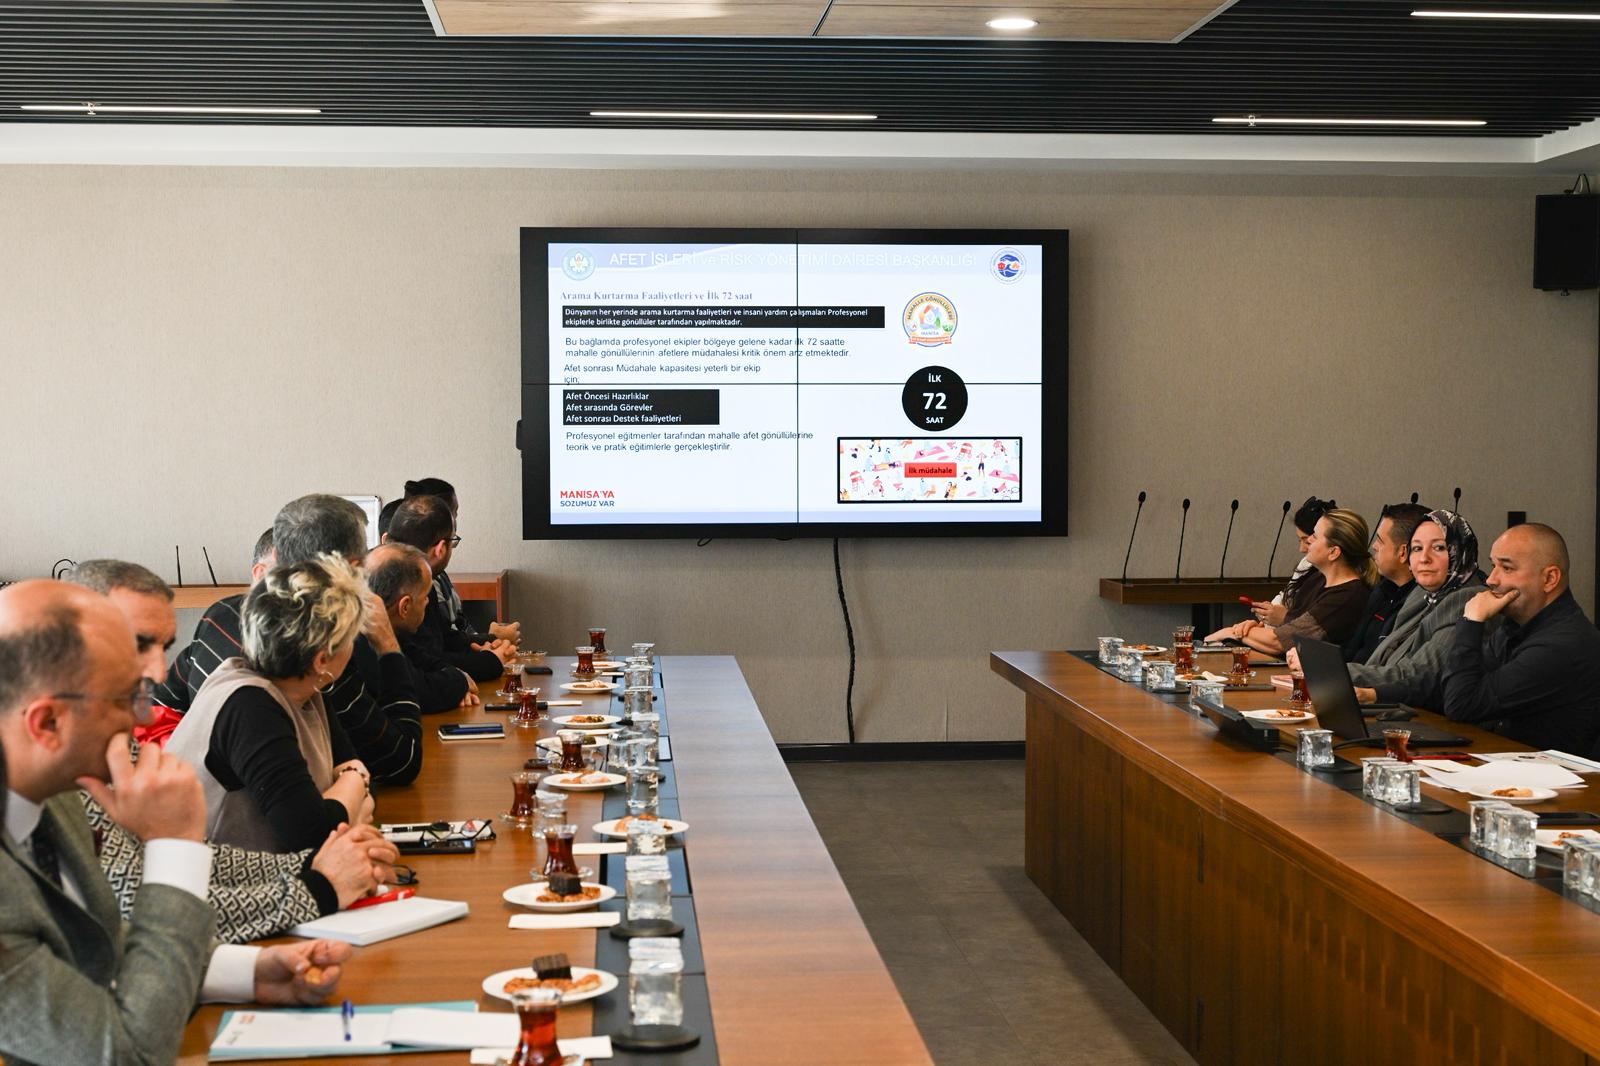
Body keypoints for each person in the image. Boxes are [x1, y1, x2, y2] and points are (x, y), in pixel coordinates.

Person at [0, 580, 350, 1066]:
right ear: (47, 724)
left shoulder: (54, 794)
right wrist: (175, 844)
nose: (146, 717)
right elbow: (130, 1054)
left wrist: (245, 972)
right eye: (125, 698)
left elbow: (100, 947)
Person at [67, 560, 397, 941]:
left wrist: (322, 864)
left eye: (164, 648)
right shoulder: (65, 766)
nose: (160, 671)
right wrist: (320, 885)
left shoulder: (113, 743)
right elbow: (140, 911)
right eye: (139, 644)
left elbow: (200, 860)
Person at [155, 494, 423, 785]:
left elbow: (162, 702)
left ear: (277, 555)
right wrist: (387, 645)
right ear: (354, 567)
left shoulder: (220, 614)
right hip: (281, 807)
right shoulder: (323, 652)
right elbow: (402, 760)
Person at [165, 555, 376, 852]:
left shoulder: (304, 689)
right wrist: (355, 780)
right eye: (352, 637)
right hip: (214, 876)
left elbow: (346, 805)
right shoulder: (250, 707)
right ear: (322, 659)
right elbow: (312, 834)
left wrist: (347, 794)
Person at [1441, 523, 1600, 754]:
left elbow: (1462, 704)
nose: (1491, 579)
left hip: (1554, 775)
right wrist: (1384, 694)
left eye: (1506, 568)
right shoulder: (1517, 626)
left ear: (1549, 579)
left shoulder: (1563, 645)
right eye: (1493, 565)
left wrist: (1472, 621)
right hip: (1507, 763)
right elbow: (1450, 685)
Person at [1343, 510, 1484, 708]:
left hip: (1428, 716)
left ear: (1459, 550)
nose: (1424, 558)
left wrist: (1339, 672)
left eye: (1439, 547)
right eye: (1417, 548)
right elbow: (1387, 656)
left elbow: (1418, 674)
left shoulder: (1468, 599)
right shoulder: (1422, 592)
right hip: (1389, 704)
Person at [1209, 508, 1373, 655]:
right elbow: (1285, 629)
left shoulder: (1347, 597)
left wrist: (1232, 632)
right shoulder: (1317, 579)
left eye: (1315, 536)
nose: (1308, 540)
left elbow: (1280, 642)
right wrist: (1250, 628)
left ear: (1333, 552)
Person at [387, 494, 512, 683]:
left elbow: (441, 640)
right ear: (440, 549)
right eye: (453, 541)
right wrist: (489, 661)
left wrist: (485, 646)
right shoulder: (403, 586)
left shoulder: (417, 577)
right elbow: (421, 663)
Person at [402, 477, 521, 646]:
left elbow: (455, 631)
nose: (456, 520)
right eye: (455, 512)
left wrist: (489, 639)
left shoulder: (439, 574)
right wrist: (492, 639)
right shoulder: (425, 582)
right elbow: (442, 647)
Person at [365, 543, 477, 713]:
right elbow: (419, 690)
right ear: (405, 607)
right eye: (425, 596)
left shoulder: (394, 631)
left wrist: (457, 681)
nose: (427, 602)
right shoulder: (366, 642)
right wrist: (460, 682)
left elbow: (426, 662)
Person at [1342, 502, 1429, 663]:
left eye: (1380, 540)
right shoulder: (1382, 590)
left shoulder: (1420, 606)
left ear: (1403, 552)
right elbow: (1352, 650)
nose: (1374, 546)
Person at [1244, 496, 1336, 627]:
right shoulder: (1307, 564)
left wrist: (1286, 618)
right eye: (1300, 540)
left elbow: (1312, 629)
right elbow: (1288, 596)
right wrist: (1265, 618)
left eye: (1307, 541)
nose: (1301, 549)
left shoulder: (1340, 587)